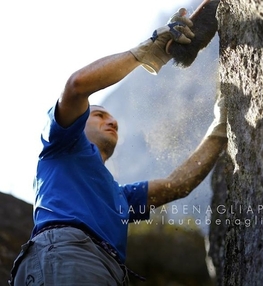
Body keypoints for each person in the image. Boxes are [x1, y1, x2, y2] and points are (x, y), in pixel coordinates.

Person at [9, 8, 227, 286]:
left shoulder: (121, 198)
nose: (111, 121)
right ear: (79, 122)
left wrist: (221, 128)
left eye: (113, 119)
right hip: (66, 255)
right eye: (99, 115)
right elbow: (76, 86)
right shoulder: (61, 146)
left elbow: (179, 184)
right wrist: (146, 52)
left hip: (104, 268)